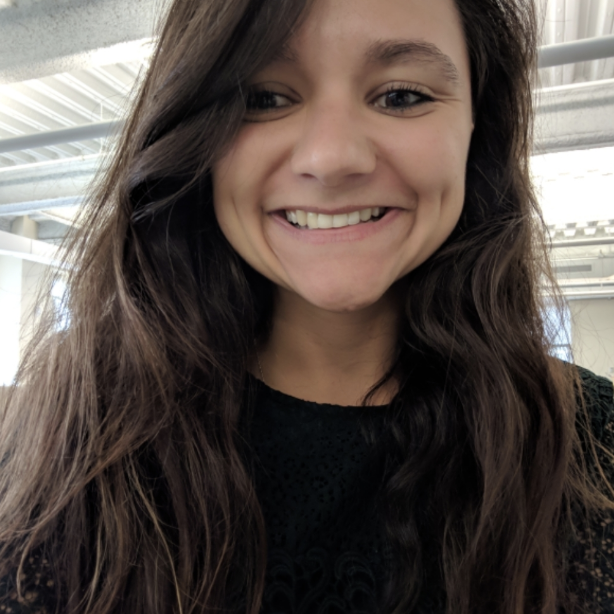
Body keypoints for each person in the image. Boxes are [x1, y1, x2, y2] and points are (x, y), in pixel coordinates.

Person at [1, 0, 613, 612]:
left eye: (401, 96)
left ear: (478, 124)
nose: (332, 158)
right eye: (264, 98)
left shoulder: (595, 444)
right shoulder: (62, 435)